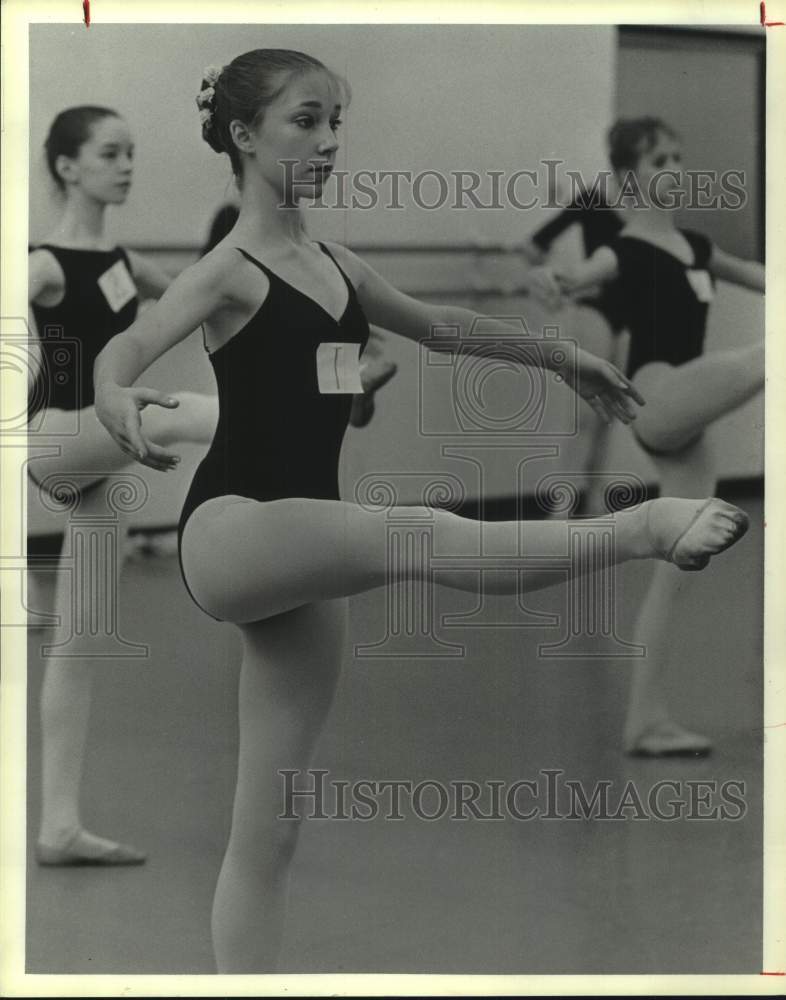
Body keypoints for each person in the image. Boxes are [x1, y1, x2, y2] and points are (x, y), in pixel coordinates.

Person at [93, 53, 749, 970]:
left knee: (267, 836)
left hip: (305, 551)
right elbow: (130, 341)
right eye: (305, 121)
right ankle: (641, 527)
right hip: (233, 530)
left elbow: (444, 326)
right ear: (244, 135)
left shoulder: (335, 263)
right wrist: (114, 391)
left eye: (336, 124)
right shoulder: (227, 269)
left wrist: (562, 357)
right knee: (418, 533)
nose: (328, 142)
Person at [528, 116, 764, 756]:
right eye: (660, 160)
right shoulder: (625, 248)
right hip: (658, 399)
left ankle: (647, 722)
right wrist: (554, 281)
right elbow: (577, 277)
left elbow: (764, 277)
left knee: (679, 572)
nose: (676, 171)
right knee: (763, 358)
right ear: (629, 175)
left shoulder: (697, 246)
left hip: (690, 427)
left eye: (678, 157)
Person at [28, 106, 219, 865]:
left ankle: (60, 827)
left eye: (133, 152)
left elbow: (210, 309)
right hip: (56, 439)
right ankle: (304, 411)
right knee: (169, 416)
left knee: (80, 643)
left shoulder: (128, 263)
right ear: (69, 167)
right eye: (111, 153)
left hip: (102, 457)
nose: (128, 165)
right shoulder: (42, 263)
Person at [201, 199, 398, 427]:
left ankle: (352, 387)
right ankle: (351, 385)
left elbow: (356, 418)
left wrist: (343, 328)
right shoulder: (223, 284)